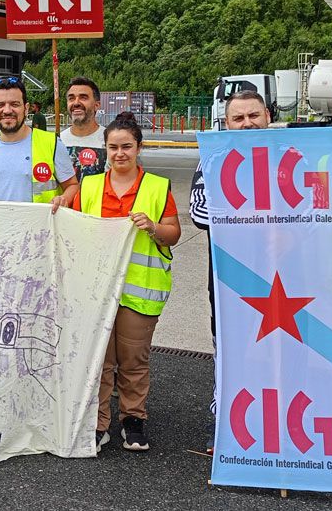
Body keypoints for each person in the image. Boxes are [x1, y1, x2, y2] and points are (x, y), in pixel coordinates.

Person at [72, 112, 181, 452]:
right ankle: (98, 422)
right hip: (98, 289)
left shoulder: (157, 187)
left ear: (138, 148)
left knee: (134, 360)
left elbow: (173, 234)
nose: (120, 153)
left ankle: (133, 419)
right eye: (113, 147)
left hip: (139, 290)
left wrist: (153, 227)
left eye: (127, 147)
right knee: (100, 360)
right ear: (104, 149)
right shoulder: (89, 186)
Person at [188, 89, 272, 453]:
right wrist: (261, 215)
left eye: (253, 116)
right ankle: (226, 419)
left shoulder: (293, 153)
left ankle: (277, 422)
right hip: (230, 272)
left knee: (283, 347)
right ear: (226, 123)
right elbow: (199, 213)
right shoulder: (213, 156)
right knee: (229, 346)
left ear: (267, 115)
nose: (247, 123)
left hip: (286, 272)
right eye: (238, 118)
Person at [0, 76, 78, 210]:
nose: (7, 110)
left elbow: (72, 186)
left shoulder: (51, 144)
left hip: (39, 229)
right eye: (0, 105)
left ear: (26, 108)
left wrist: (63, 200)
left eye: (14, 104)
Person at [59, 76, 107, 180]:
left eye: (83, 97)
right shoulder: (58, 141)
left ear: (97, 105)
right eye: (71, 98)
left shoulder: (110, 140)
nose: (76, 103)